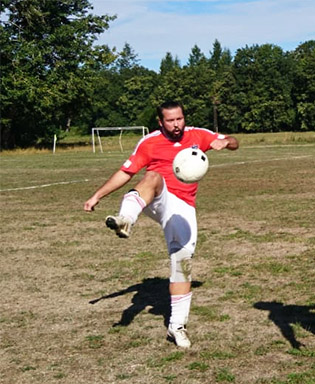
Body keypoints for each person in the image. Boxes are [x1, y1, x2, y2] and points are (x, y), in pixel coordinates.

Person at [83, 101, 239, 348]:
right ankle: (125, 219)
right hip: (159, 197)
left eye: (180, 119)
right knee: (153, 176)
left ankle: (176, 327)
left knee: (183, 263)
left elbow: (234, 141)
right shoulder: (150, 142)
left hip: (184, 208)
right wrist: (97, 195)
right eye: (170, 120)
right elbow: (126, 172)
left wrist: (225, 142)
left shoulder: (198, 135)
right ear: (160, 122)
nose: (177, 125)